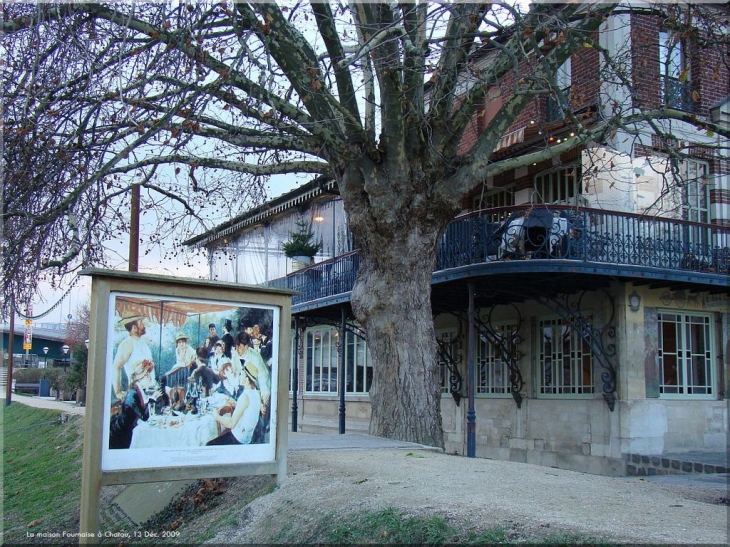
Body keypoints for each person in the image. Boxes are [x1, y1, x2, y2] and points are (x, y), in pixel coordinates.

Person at [206, 361, 262, 445]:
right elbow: (248, 409)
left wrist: (216, 416)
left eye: (241, 374)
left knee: (208, 445)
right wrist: (236, 404)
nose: (239, 376)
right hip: (247, 437)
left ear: (247, 379)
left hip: (238, 439)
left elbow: (231, 424)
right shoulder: (256, 393)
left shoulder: (245, 397)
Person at [109, 360, 160, 449]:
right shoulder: (132, 395)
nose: (150, 378)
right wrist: (153, 399)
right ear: (140, 378)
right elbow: (144, 416)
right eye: (147, 375)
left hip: (128, 430)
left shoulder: (139, 391)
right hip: (119, 433)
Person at [232, 331, 270, 443]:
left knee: (258, 423)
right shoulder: (235, 355)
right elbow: (236, 373)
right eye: (236, 347)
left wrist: (264, 398)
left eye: (240, 347)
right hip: (244, 388)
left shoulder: (255, 357)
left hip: (257, 390)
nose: (238, 350)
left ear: (247, 346)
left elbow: (263, 377)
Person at [112, 315, 154, 401]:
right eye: (141, 323)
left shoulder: (143, 342)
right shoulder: (127, 343)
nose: (144, 325)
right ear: (134, 327)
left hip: (150, 390)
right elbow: (116, 366)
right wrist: (118, 392)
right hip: (137, 392)